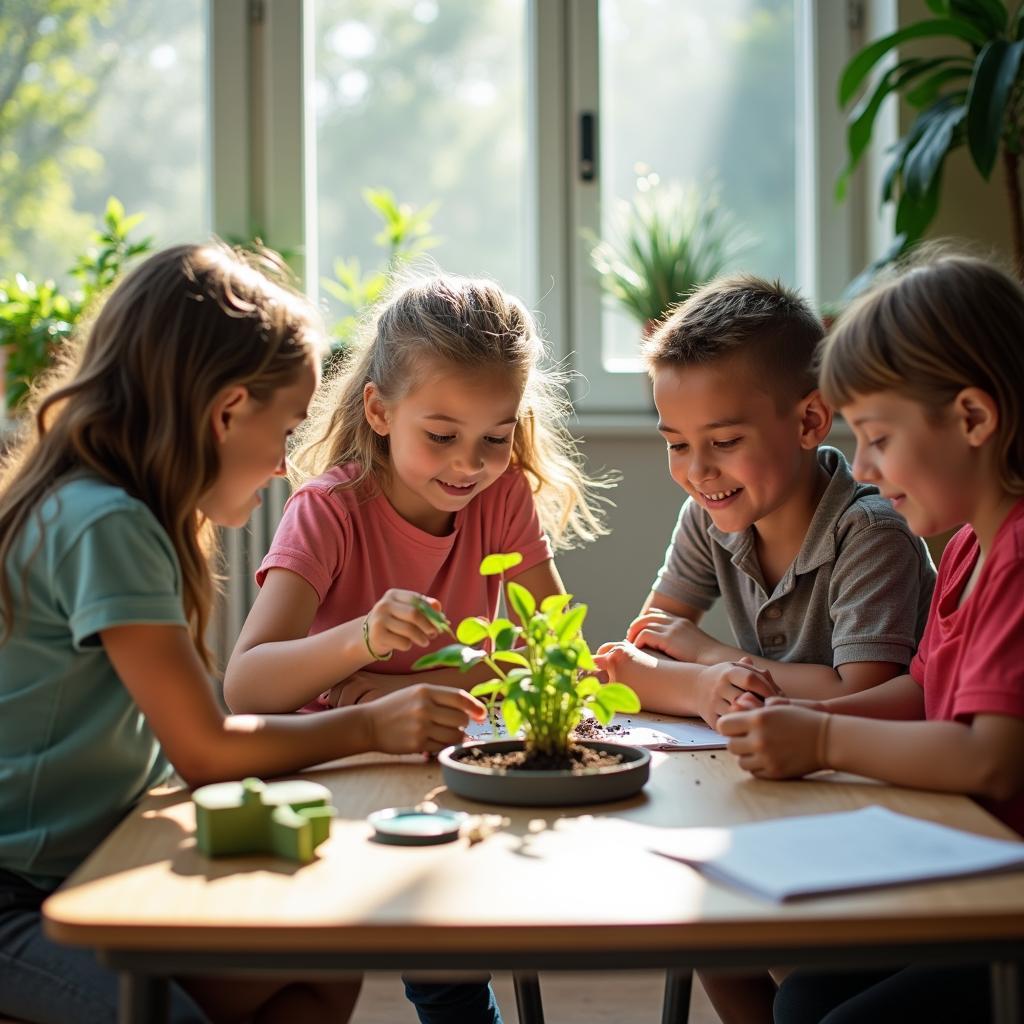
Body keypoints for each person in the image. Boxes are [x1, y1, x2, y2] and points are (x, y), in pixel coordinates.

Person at [0, 242, 489, 1024]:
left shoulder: (126, 513)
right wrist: (367, 722)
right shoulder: (105, 523)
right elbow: (206, 748)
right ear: (226, 410)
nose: (282, 466)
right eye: (287, 429)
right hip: (18, 898)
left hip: (85, 864)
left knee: (323, 969)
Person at [223, 272, 611, 1024]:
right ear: (379, 409)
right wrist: (360, 648)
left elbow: (553, 641)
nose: (468, 465)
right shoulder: (328, 511)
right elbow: (246, 685)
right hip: (333, 773)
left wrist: (535, 686)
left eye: (495, 439)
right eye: (442, 436)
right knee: (334, 967)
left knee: (449, 956)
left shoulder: (500, 498)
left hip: (439, 765)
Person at [591, 274, 935, 1024]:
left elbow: (860, 695)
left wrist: (709, 663)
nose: (697, 471)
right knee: (704, 918)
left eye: (723, 442)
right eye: (677, 444)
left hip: (873, 796)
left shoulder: (870, 533)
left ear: (810, 420)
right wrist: (699, 682)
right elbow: (633, 661)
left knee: (776, 953)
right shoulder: (708, 516)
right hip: (773, 781)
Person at [719, 251, 1024, 1024]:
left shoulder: (1017, 555)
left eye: (880, 439)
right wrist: (787, 728)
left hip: (1003, 902)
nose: (861, 466)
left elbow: (989, 756)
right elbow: (920, 694)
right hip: (972, 872)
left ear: (974, 419)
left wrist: (821, 742)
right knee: (800, 993)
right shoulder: (964, 547)